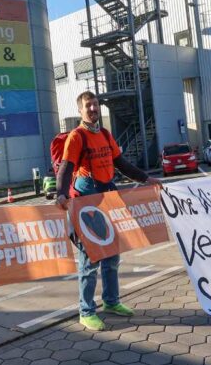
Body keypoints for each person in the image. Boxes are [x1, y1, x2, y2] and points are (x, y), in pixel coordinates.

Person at [56, 90, 161, 331]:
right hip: (86, 200)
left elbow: (121, 164)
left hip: (108, 195)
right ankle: (86, 311)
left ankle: (111, 302)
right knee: (90, 259)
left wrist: (146, 179)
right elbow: (66, 166)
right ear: (80, 110)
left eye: (95, 104)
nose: (93, 109)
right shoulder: (77, 136)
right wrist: (60, 193)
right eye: (87, 106)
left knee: (112, 255)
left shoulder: (104, 133)